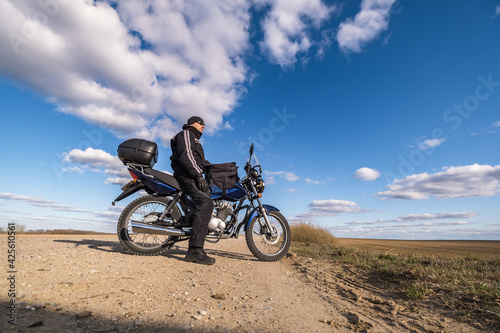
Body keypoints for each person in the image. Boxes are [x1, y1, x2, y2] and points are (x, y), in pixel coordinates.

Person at [170, 116, 215, 265]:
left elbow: (199, 161)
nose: (203, 125)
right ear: (191, 124)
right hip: (186, 175)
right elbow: (187, 156)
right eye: (201, 122)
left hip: (190, 174)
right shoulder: (187, 134)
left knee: (205, 201)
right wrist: (198, 176)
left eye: (204, 124)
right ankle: (195, 250)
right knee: (206, 203)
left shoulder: (194, 139)